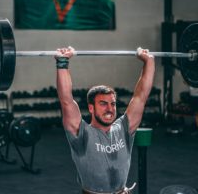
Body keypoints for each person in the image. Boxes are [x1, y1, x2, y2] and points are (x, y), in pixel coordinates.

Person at [55, 46, 155, 194]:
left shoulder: (123, 128)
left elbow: (141, 96)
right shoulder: (81, 133)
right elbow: (66, 101)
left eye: (112, 104)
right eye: (103, 104)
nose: (109, 109)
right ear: (91, 108)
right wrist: (62, 63)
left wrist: (149, 61)